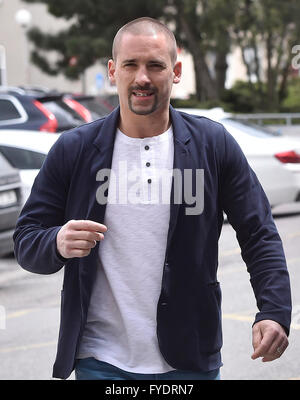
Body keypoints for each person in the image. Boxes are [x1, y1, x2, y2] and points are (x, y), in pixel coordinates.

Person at [13, 17, 291, 381]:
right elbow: (26, 238)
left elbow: (258, 232)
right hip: (101, 360)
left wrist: (273, 310)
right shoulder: (74, 149)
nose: (142, 77)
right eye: (130, 65)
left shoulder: (212, 144)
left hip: (190, 357)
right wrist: (57, 241)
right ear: (113, 71)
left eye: (155, 65)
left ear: (175, 71)